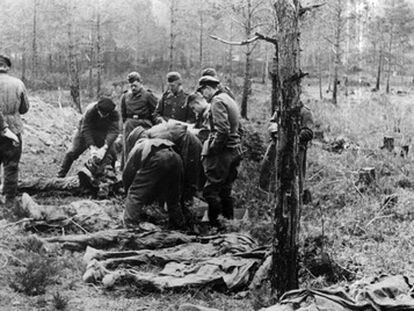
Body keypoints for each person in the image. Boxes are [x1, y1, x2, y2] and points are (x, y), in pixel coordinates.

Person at [127, 121, 202, 219]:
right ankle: (179, 223)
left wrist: (129, 192)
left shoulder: (151, 140)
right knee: (174, 196)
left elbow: (128, 173)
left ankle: (129, 224)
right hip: (177, 156)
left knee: (184, 187)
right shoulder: (153, 137)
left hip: (189, 148)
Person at [196, 75, 242, 228]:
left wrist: (213, 149)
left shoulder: (217, 101)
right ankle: (229, 224)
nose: (203, 96)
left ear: (208, 88)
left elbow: (222, 130)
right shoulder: (228, 98)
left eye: (203, 92)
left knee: (210, 191)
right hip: (234, 149)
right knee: (225, 191)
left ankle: (214, 227)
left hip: (223, 152)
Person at [122, 134, 186, 230]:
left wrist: (127, 193)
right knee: (173, 197)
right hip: (177, 158)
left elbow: (127, 173)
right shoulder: (157, 141)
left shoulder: (138, 146)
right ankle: (179, 225)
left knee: (135, 194)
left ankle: (130, 226)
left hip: (159, 157)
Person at [259, 103, 314, 203]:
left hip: (296, 150)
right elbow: (272, 123)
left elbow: (308, 132)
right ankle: (272, 201)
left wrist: (292, 137)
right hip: (277, 147)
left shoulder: (305, 112)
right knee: (271, 175)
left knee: (295, 179)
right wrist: (277, 132)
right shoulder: (281, 108)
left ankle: (295, 203)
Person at [57, 97, 120, 178]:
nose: (102, 116)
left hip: (102, 132)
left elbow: (114, 131)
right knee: (72, 152)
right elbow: (86, 128)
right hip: (84, 130)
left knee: (111, 155)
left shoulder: (114, 113)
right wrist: (92, 147)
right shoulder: (90, 110)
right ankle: (60, 175)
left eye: (105, 114)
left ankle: (111, 178)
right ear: (97, 109)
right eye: (101, 113)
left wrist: (105, 147)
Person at [0, 55, 30, 213]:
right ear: (7, 67)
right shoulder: (18, 83)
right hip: (13, 129)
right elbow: (25, 108)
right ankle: (9, 201)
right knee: (11, 165)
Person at [120, 71, 158, 143]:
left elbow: (155, 112)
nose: (133, 88)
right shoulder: (125, 96)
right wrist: (126, 123)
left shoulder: (148, 95)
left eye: (135, 85)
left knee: (144, 146)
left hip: (144, 125)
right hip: (130, 125)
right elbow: (123, 114)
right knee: (128, 147)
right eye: (131, 86)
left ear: (140, 83)